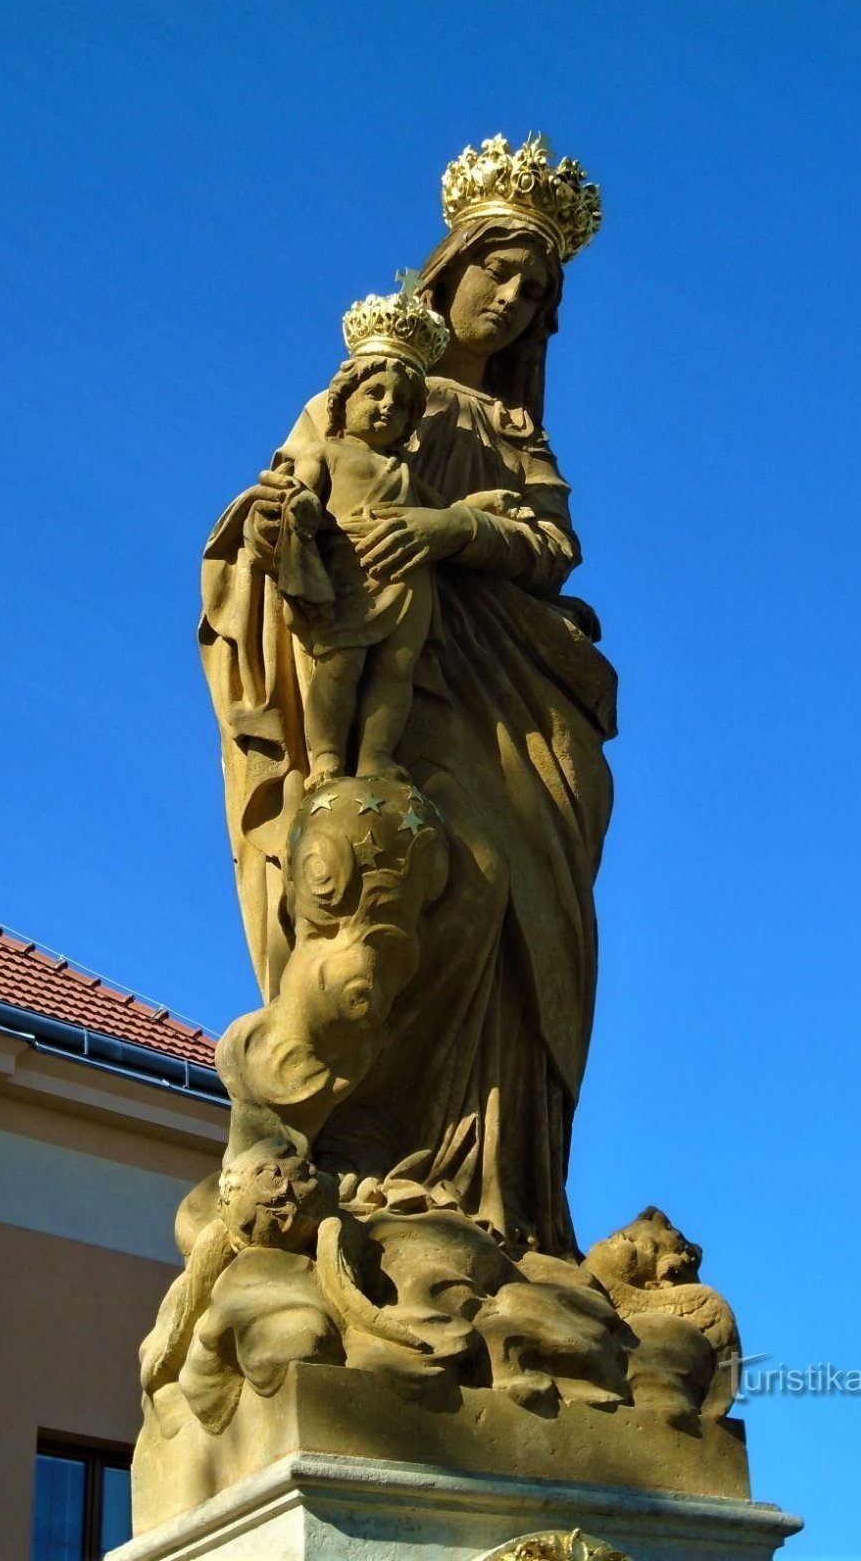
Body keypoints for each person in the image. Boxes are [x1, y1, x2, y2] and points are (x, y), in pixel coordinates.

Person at [200, 136, 615, 1256]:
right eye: (499, 271)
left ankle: (492, 1195)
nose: (514, 298)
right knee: (424, 884)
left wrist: (447, 527)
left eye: (536, 290)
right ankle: (355, 1148)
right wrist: (279, 532)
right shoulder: (368, 386)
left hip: (509, 693)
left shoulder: (515, 427)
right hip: (390, 675)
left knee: (508, 907)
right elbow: (281, 498)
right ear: (452, 265)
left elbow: (550, 543)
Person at [271, 293, 448, 790]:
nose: (387, 406)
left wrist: (484, 507)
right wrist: (301, 505)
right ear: (343, 400)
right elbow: (301, 490)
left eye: (401, 402)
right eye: (375, 394)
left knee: (396, 669)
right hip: (349, 566)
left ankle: (376, 756)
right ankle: (326, 756)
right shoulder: (327, 452)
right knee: (340, 666)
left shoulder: (402, 471)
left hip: (409, 578)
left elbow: (445, 510)